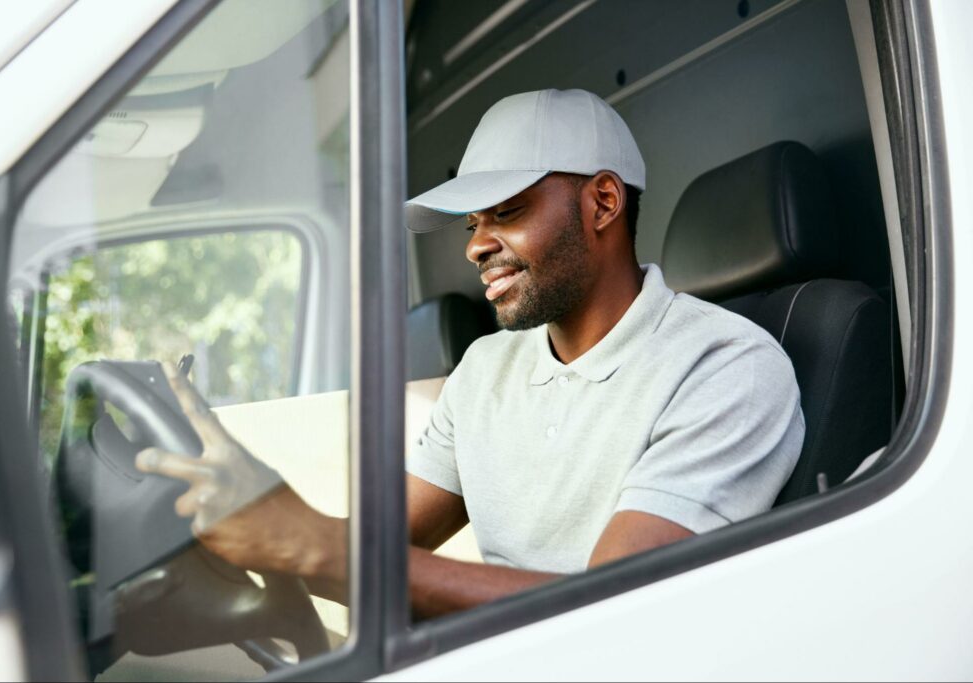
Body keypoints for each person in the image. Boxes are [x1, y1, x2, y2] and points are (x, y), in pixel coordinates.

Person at [136, 88, 804, 618]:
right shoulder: (485, 370)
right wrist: (250, 505)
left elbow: (613, 612)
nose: (474, 246)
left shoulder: (727, 367)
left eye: (505, 212)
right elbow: (375, 553)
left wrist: (318, 544)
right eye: (471, 224)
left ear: (603, 202)